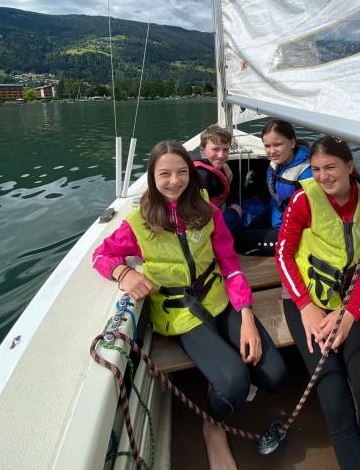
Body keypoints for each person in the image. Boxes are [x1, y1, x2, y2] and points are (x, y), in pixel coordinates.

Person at [93, 141, 287, 470]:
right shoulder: (140, 221)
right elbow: (101, 254)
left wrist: (247, 315)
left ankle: (222, 367)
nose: (174, 181)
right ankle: (213, 428)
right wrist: (122, 271)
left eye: (182, 172)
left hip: (220, 299)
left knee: (276, 375)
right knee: (234, 382)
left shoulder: (206, 211)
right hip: (179, 313)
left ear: (191, 174)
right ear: (152, 177)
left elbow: (230, 263)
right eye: (164, 174)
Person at [275, 135, 360, 470]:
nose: (323, 175)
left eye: (330, 167)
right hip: (306, 302)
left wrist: (350, 313)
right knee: (333, 393)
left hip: (348, 304)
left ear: (349, 167)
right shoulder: (303, 199)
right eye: (316, 169)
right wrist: (305, 307)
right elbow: (283, 254)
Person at [236, 120, 312, 256]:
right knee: (237, 230)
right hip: (277, 218)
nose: (272, 151)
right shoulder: (278, 164)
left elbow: (309, 216)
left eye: (277, 144)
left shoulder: (307, 173)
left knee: (240, 242)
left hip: (295, 234)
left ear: (292, 143)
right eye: (267, 146)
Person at [190, 124, 242, 232]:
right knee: (238, 210)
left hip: (214, 209)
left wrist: (223, 165)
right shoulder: (202, 177)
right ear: (202, 149)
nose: (221, 155)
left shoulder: (199, 156)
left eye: (226, 150)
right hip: (205, 228)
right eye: (215, 149)